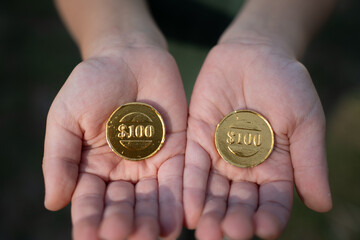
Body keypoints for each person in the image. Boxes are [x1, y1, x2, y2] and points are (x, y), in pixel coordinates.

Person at [42, 0, 335, 239]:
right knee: (164, 214)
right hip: (134, 55)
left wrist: (267, 36)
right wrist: (116, 39)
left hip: (248, 69)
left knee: (208, 216)